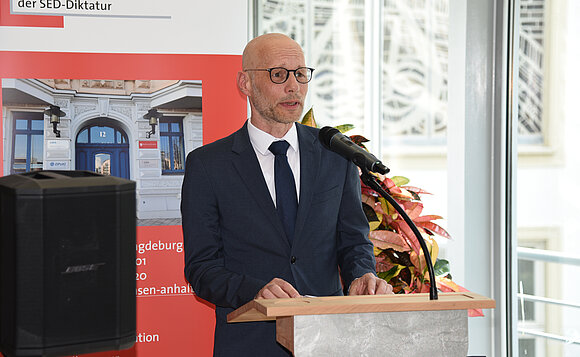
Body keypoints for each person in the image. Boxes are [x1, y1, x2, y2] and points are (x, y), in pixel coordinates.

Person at [181, 33, 392, 356]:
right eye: (278, 74)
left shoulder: (335, 155)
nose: (293, 86)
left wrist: (361, 275)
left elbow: (353, 241)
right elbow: (202, 268)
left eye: (300, 73)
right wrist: (256, 291)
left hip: (330, 339)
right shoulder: (209, 165)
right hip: (250, 342)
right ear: (246, 83)